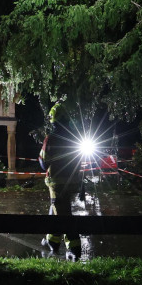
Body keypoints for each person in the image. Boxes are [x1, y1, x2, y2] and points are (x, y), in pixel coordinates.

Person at [39, 100, 85, 260]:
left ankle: (74, 248)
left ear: (53, 119)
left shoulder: (51, 138)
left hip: (57, 183)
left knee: (63, 214)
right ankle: (52, 241)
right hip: (73, 182)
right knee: (56, 210)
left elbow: (44, 163)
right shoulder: (75, 138)